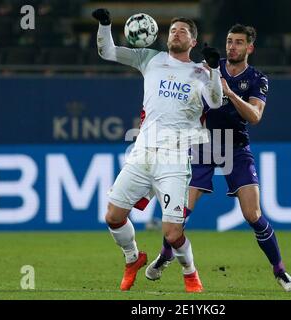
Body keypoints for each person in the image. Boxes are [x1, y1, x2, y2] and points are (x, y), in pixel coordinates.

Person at [144, 24, 291, 292]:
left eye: (239, 42)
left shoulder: (257, 79)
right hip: (202, 144)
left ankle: (280, 271)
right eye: (229, 41)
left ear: (250, 48)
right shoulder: (209, 68)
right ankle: (166, 255)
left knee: (253, 215)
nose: (232, 47)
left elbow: (255, 116)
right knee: (180, 214)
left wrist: (229, 93)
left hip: (236, 148)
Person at [91, 8, 223, 292]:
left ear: (193, 42)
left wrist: (214, 70)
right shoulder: (150, 58)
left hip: (174, 158)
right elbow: (108, 52)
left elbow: (214, 102)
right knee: (113, 216)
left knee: (173, 233)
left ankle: (190, 273)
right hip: (142, 154)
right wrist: (105, 25)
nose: (176, 33)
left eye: (183, 31)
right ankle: (132, 258)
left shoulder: (201, 72)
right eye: (173, 29)